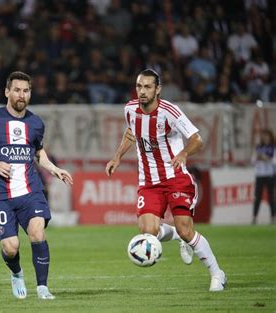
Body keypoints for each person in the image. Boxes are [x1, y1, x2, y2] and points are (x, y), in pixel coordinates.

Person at [106, 69, 226, 291]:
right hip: (149, 182)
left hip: (176, 179)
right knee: (147, 231)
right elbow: (131, 132)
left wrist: (183, 154)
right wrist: (117, 157)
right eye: (139, 86)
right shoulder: (130, 109)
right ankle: (178, 237)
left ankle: (217, 273)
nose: (142, 91)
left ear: (157, 89)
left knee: (186, 231)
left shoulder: (169, 111)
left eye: (148, 87)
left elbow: (197, 139)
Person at [0, 71, 73, 300]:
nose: (21, 95)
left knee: (37, 232)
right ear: (7, 92)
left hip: (30, 191)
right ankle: (16, 272)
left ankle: (43, 288)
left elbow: (38, 153)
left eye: (26, 91)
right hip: (0, 194)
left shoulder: (36, 123)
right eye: (16, 90)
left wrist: (54, 169)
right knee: (11, 246)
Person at [251, 129, 275, 224]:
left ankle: (273, 217)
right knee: (257, 197)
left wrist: (267, 158)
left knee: (271, 197)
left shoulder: (273, 147)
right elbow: (252, 161)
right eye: (263, 136)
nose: (265, 138)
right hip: (260, 175)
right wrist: (257, 157)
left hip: (270, 174)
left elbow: (274, 161)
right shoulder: (258, 148)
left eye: (266, 136)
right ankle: (254, 217)